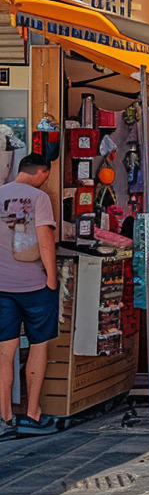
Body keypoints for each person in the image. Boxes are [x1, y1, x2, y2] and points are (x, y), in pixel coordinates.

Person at [0, 155, 58, 436]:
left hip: (2, 288)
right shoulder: (39, 197)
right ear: (41, 172)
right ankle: (32, 415)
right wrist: (51, 278)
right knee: (38, 345)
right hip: (35, 285)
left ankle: (5, 417)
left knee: (4, 352)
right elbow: (45, 241)